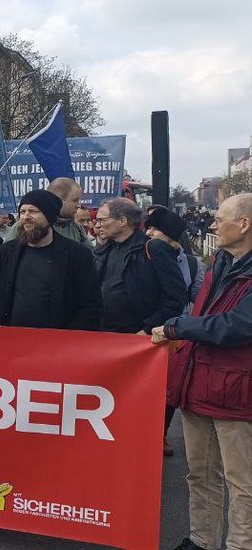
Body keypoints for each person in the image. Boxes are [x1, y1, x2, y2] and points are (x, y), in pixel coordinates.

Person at [153, 194, 252, 550]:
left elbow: (237, 326)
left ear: (244, 224)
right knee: (201, 473)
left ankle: (240, 544)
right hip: (200, 384)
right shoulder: (220, 263)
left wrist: (177, 327)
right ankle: (202, 541)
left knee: (242, 482)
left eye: (220, 219)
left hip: (237, 393)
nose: (212, 225)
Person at [0, 190, 102, 330]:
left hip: (59, 340)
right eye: (22, 211)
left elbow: (91, 304)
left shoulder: (77, 255)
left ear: (49, 216)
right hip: (12, 338)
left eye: (33, 211)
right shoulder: (6, 252)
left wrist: (68, 336)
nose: (26, 217)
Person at [145, 205, 208, 457]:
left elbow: (200, 300)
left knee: (169, 388)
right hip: (148, 330)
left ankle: (159, 434)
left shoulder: (192, 264)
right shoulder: (146, 253)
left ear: (169, 234)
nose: (148, 234)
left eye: (154, 229)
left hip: (175, 334)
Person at [92, 198, 187, 334]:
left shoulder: (153, 248)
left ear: (122, 221)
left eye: (102, 220)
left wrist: (147, 329)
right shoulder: (103, 251)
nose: (97, 225)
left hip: (139, 337)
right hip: (106, 335)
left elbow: (175, 298)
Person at [4, 178, 91, 247]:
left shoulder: (75, 227)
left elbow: (91, 256)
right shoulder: (24, 226)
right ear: (58, 200)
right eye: (75, 200)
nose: (79, 205)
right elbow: (8, 256)